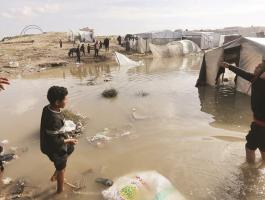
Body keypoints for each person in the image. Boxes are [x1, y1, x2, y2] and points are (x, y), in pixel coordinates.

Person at [221, 56, 265, 163]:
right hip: (260, 124)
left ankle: (250, 172)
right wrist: (229, 66)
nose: (257, 65)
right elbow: (243, 73)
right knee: (263, 148)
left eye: (260, 65)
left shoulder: (260, 81)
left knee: (250, 148)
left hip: (260, 126)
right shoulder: (256, 79)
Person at [40, 86, 78, 193]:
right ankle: (59, 191)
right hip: (53, 147)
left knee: (70, 148)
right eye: (65, 99)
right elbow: (55, 142)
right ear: (57, 102)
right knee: (62, 168)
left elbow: (53, 132)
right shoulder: (54, 119)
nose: (67, 100)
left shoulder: (47, 108)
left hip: (48, 141)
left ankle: (58, 170)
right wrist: (68, 140)